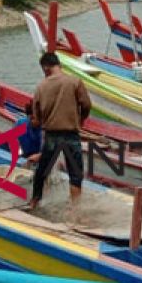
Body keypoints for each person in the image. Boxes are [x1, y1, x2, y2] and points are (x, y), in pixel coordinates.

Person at [28, 52, 91, 208]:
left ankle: (34, 201)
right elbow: (87, 105)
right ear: (59, 65)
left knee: (42, 170)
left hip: (51, 135)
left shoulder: (41, 86)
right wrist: (81, 119)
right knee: (75, 174)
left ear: (45, 68)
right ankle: (75, 210)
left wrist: (43, 120)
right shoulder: (75, 82)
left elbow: (36, 116)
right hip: (71, 135)